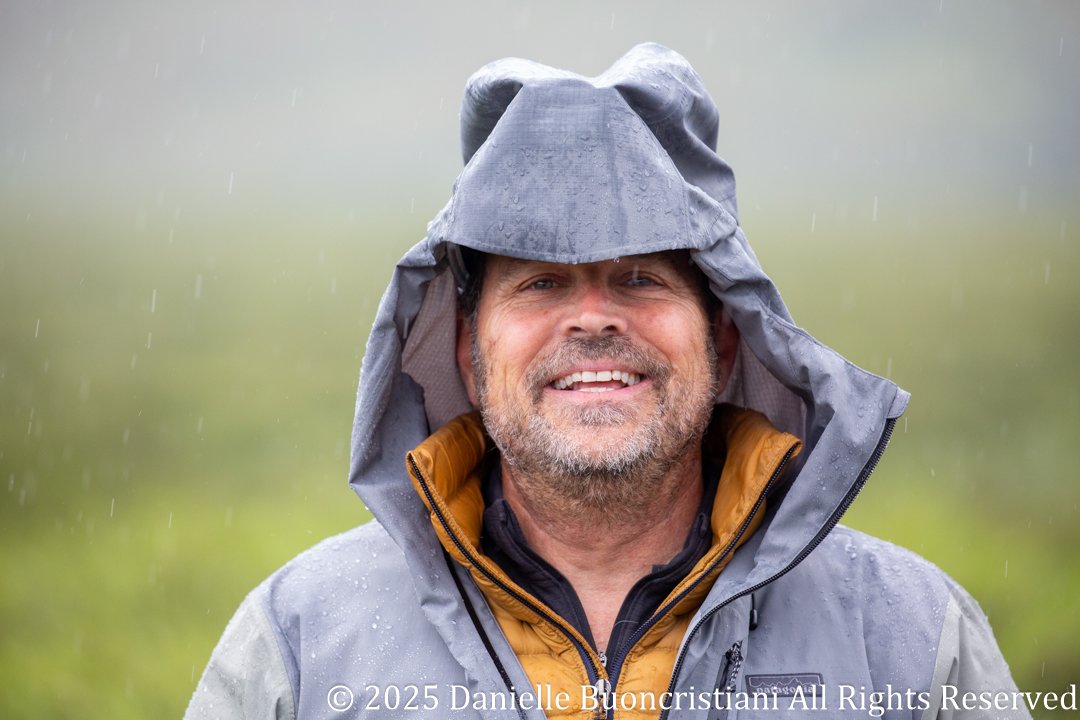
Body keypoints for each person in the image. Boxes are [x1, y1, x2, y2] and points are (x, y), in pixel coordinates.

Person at [185, 44, 1027, 720]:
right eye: (541, 282)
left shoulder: (910, 642)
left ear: (727, 341)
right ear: (470, 358)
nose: (592, 318)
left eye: (640, 279)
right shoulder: (302, 643)